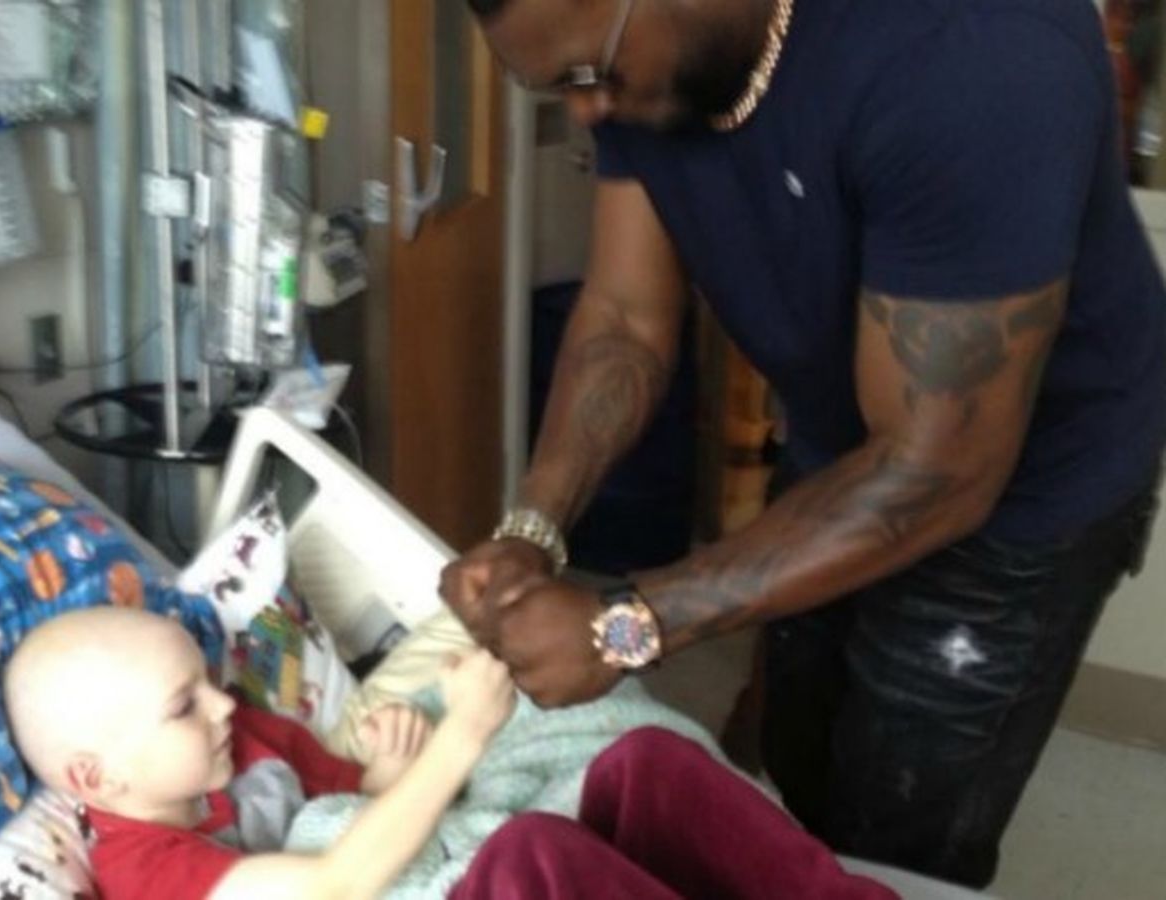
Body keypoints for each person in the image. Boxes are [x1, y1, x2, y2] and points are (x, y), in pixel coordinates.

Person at [440, 0, 1166, 889]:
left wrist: (624, 627)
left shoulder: (974, 51)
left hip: (1016, 501)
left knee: (890, 839)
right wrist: (534, 527)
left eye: (591, 76)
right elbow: (625, 318)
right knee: (792, 766)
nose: (589, 111)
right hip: (848, 437)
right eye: (560, 87)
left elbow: (939, 470)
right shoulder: (639, 59)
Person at [4, 606, 896, 900]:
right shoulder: (144, 863)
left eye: (206, 681)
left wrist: (387, 773)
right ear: (96, 777)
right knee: (529, 857)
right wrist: (463, 732)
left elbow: (360, 807)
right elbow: (334, 880)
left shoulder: (243, 741)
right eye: (183, 705)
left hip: (422, 864)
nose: (221, 703)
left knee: (642, 762)